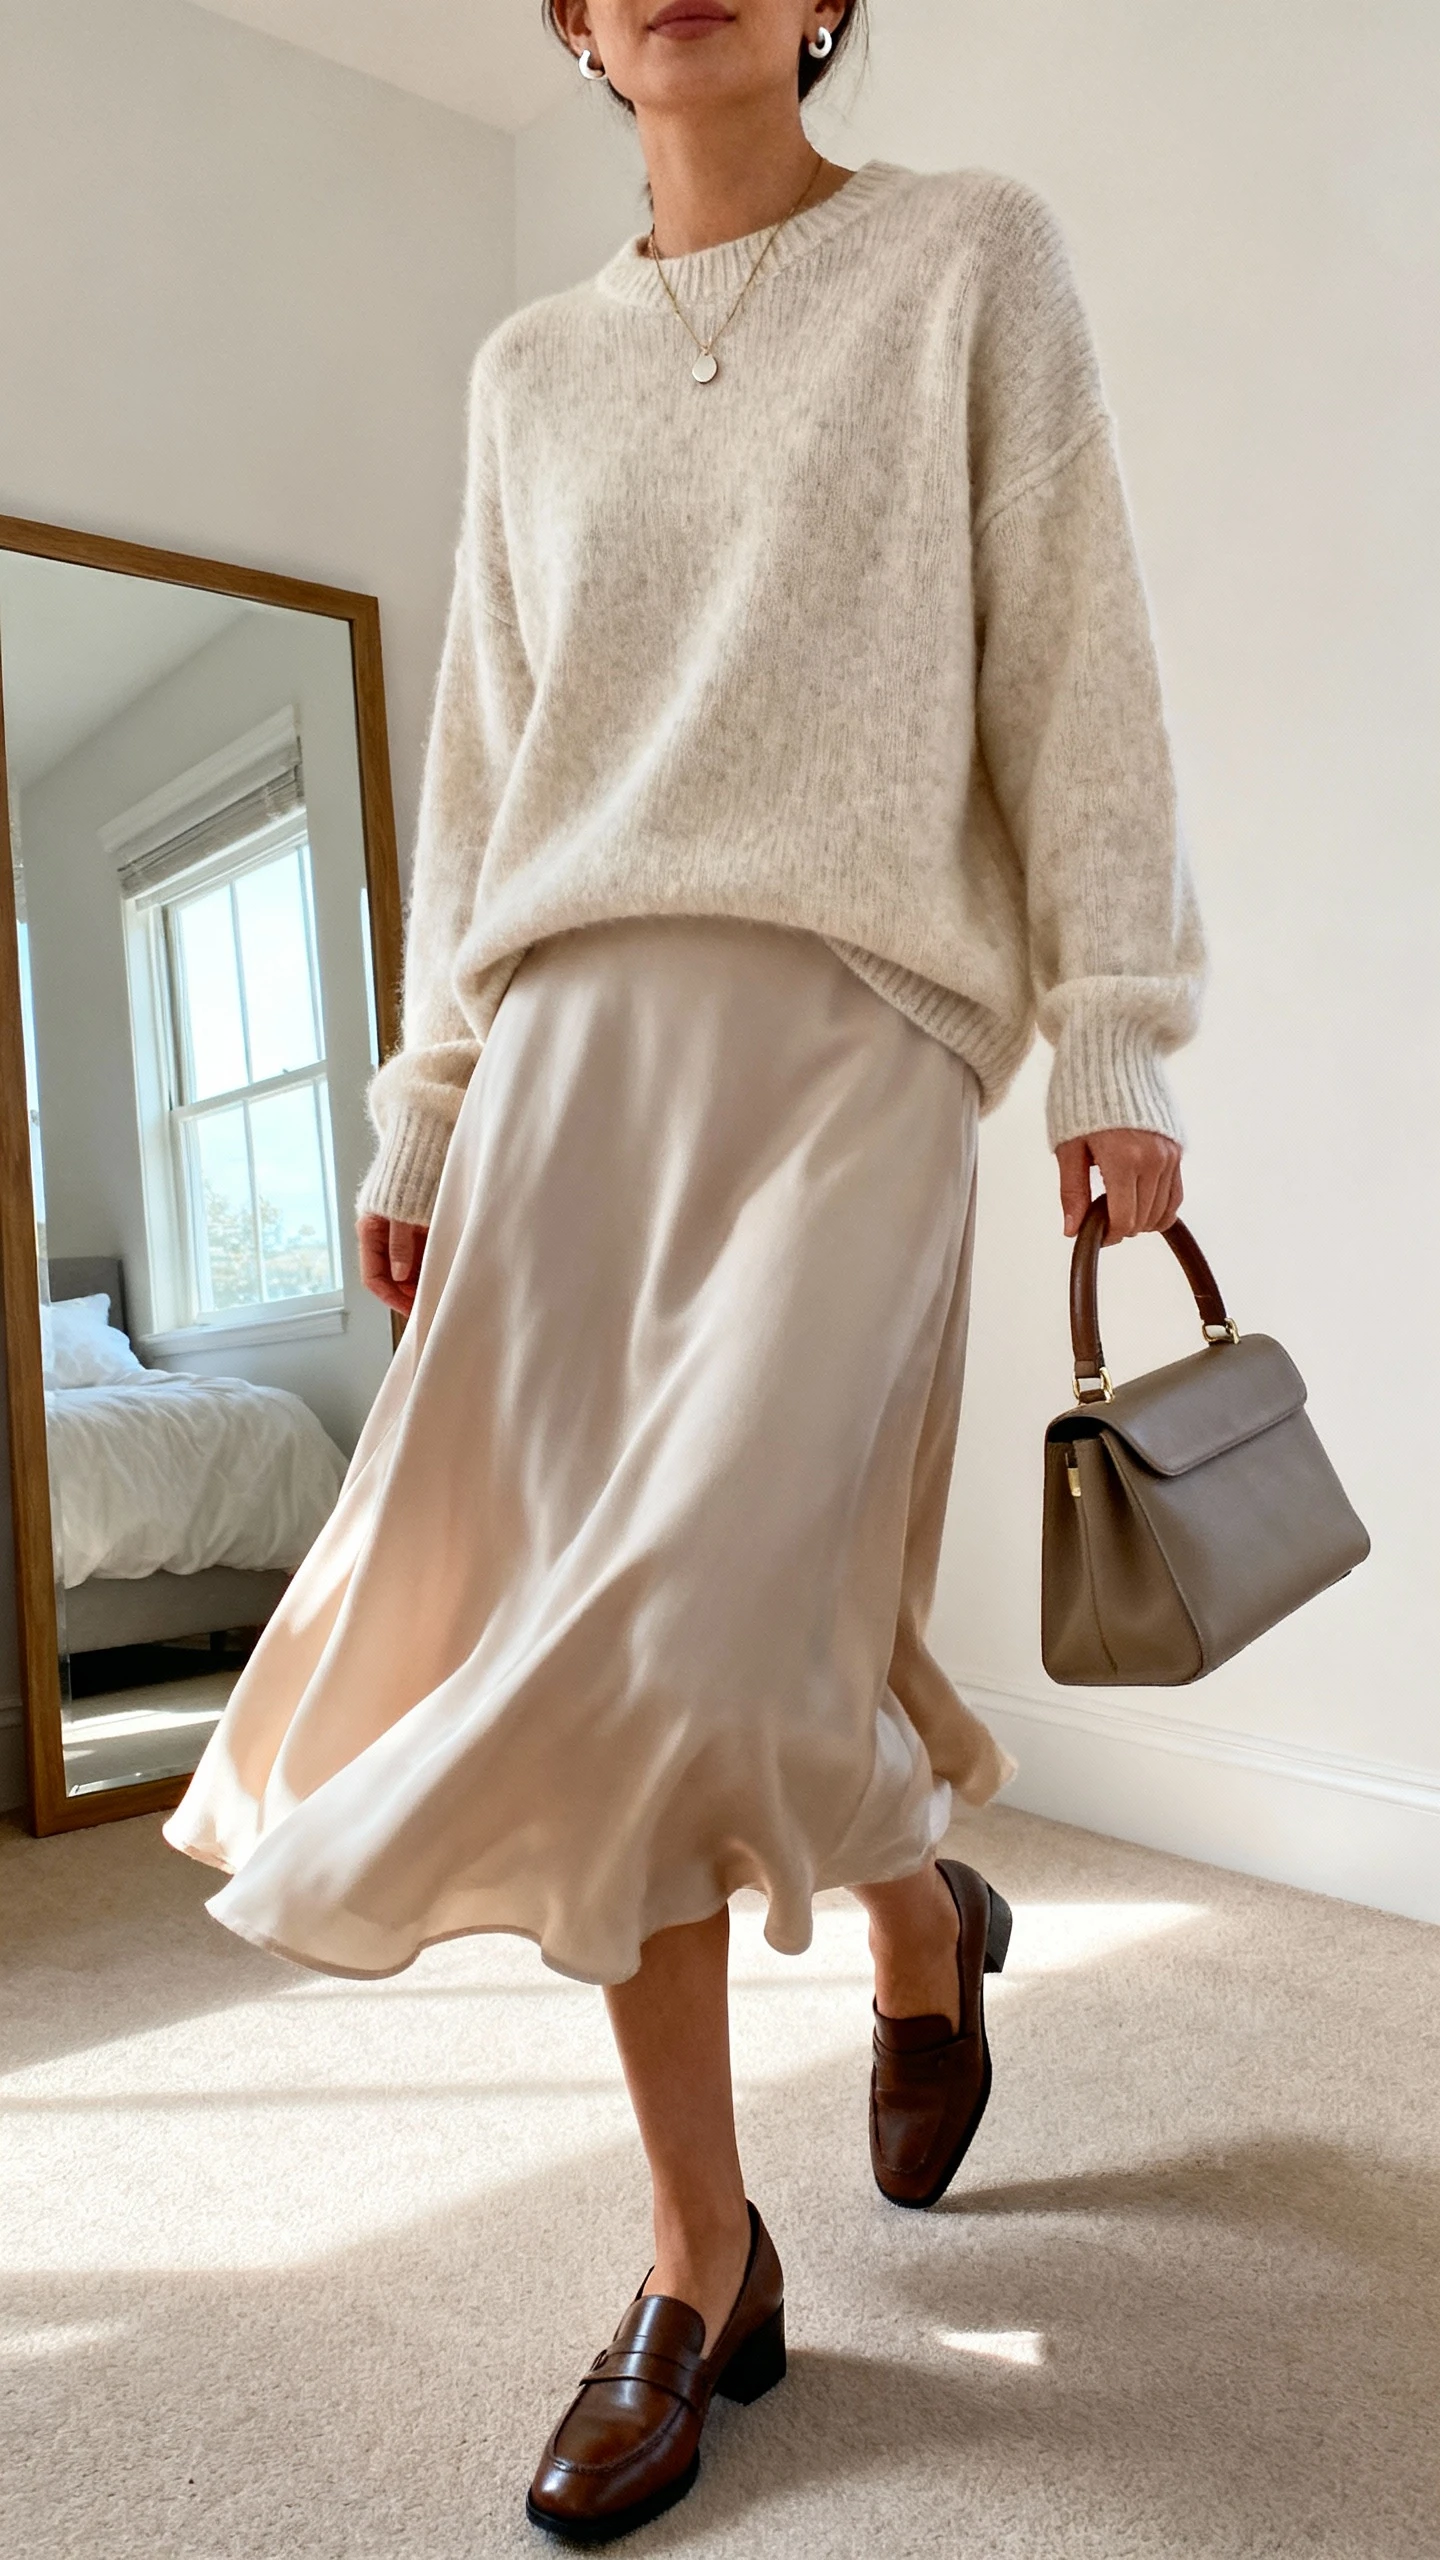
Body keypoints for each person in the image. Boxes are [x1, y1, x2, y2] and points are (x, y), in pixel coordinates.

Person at [165, 0, 1204, 2539]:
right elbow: (497, 763)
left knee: (691, 1627)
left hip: (861, 1029)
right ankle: (700, 2250)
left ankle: (910, 1914)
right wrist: (425, 1099)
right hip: (563, 1068)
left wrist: (1116, 1042)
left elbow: (1075, 655)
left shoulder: (972, 264)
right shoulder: (532, 374)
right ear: (569, 23)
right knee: (611, 1625)